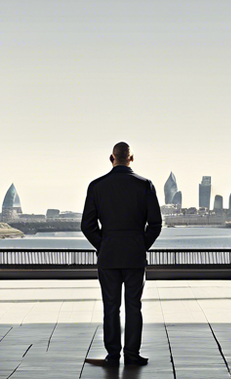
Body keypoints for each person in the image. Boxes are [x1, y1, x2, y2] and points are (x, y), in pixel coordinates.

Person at [80, 142, 163, 367]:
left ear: (111, 158)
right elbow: (155, 224)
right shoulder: (145, 185)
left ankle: (113, 355)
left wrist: (104, 244)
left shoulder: (96, 186)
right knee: (134, 306)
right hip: (135, 255)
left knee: (111, 307)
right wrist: (140, 245)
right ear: (132, 158)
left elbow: (87, 225)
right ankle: (133, 355)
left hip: (109, 255)